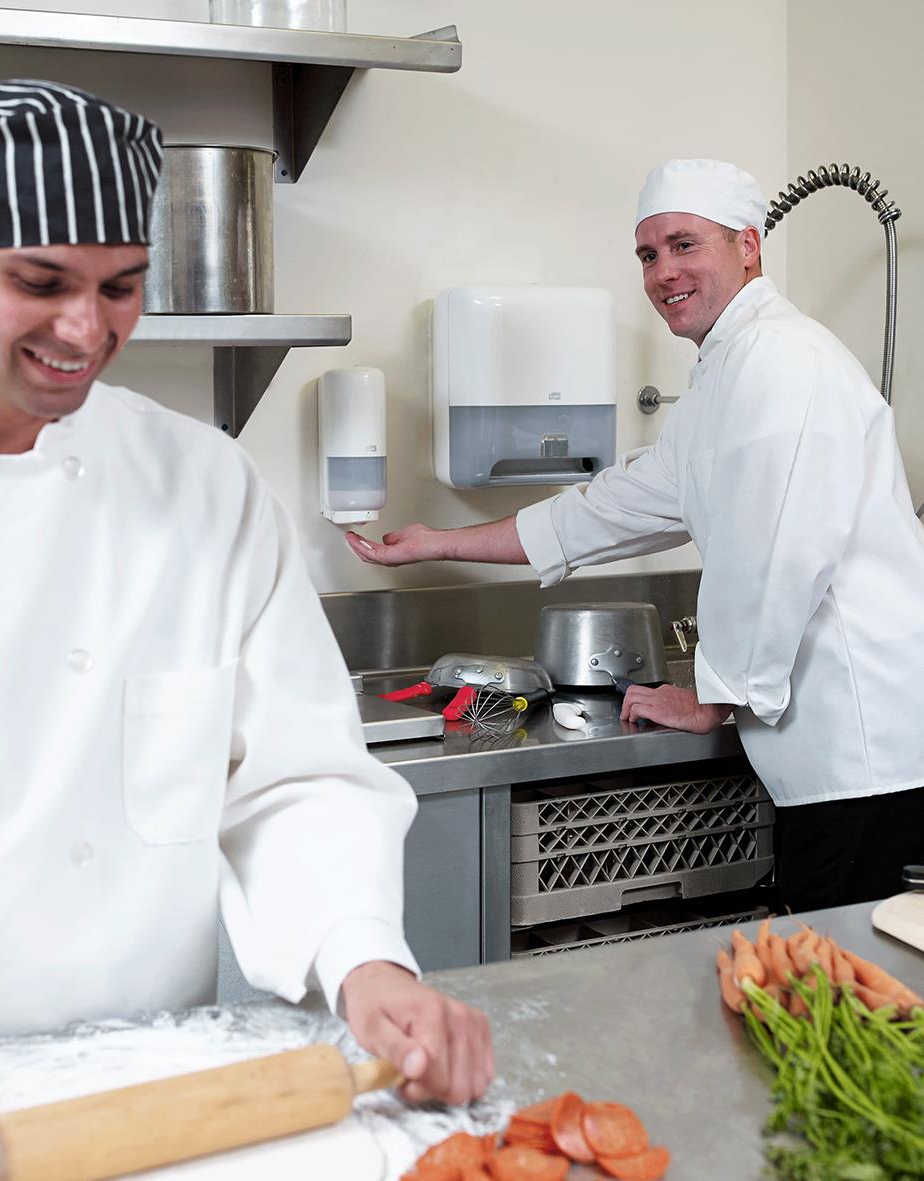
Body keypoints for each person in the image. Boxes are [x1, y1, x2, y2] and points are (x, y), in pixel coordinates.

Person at [0, 80, 492, 1181]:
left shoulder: (203, 483)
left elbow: (293, 777)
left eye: (121, 286)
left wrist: (361, 956)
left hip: (155, 1108)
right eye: (39, 283)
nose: (85, 330)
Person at [349, 158, 924, 916]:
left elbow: (777, 555)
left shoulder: (783, 362)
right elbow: (607, 509)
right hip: (835, 757)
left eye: (684, 245)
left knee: (856, 998)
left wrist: (711, 700)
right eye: (648, 255)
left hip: (864, 753)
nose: (662, 273)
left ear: (748, 246)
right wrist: (437, 541)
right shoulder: (725, 375)